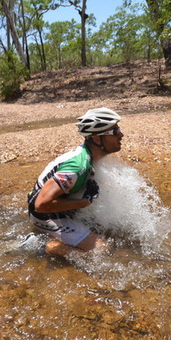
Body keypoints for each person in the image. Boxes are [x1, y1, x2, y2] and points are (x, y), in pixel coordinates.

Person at [25, 107, 124, 256]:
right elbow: (41, 205)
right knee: (102, 251)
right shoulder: (76, 167)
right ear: (97, 138)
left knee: (113, 231)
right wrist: (85, 202)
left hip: (65, 207)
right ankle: (39, 245)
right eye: (115, 131)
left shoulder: (91, 155)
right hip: (46, 214)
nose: (121, 135)